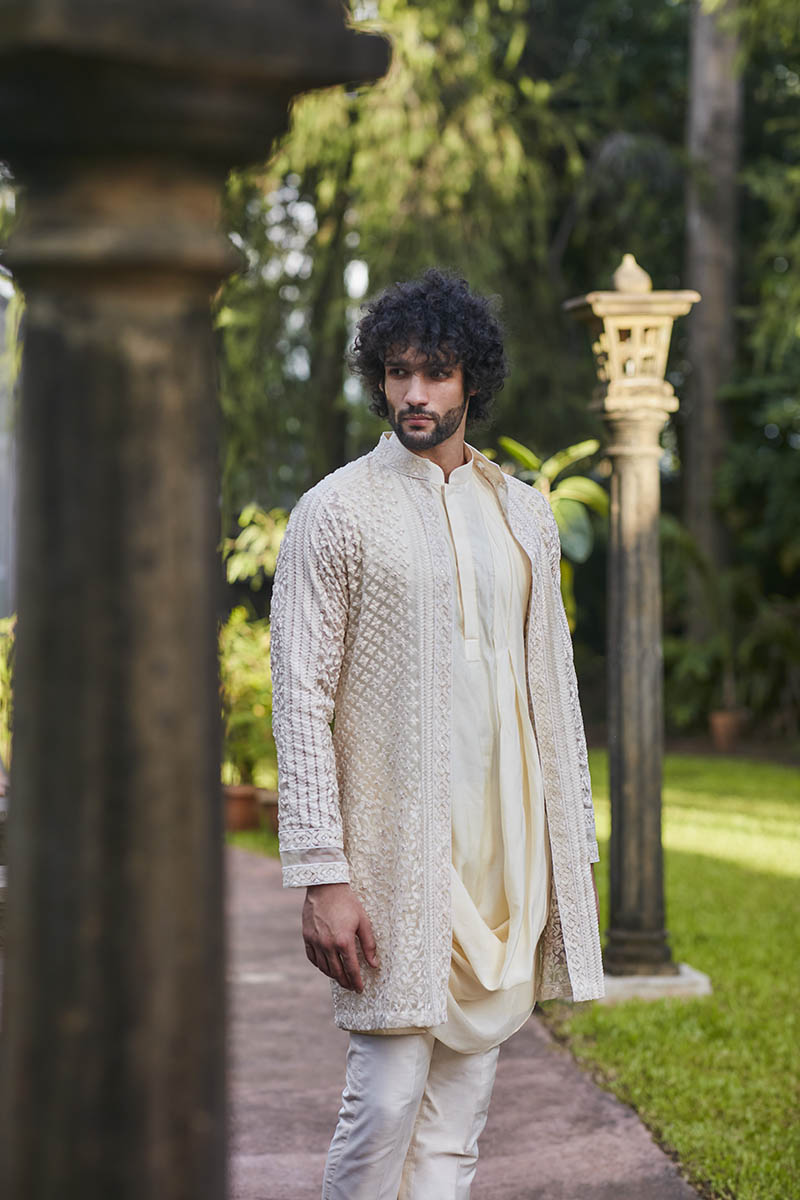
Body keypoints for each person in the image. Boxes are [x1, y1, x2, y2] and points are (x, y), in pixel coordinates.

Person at [270, 268, 604, 1200]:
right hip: (394, 857)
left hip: (505, 855)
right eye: (398, 372)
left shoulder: (524, 513)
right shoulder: (337, 511)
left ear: (471, 381)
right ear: (378, 379)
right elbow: (299, 698)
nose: (414, 393)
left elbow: (555, 690)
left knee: (457, 1123)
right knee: (384, 1102)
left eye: (436, 372)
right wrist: (322, 872)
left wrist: (569, 845)